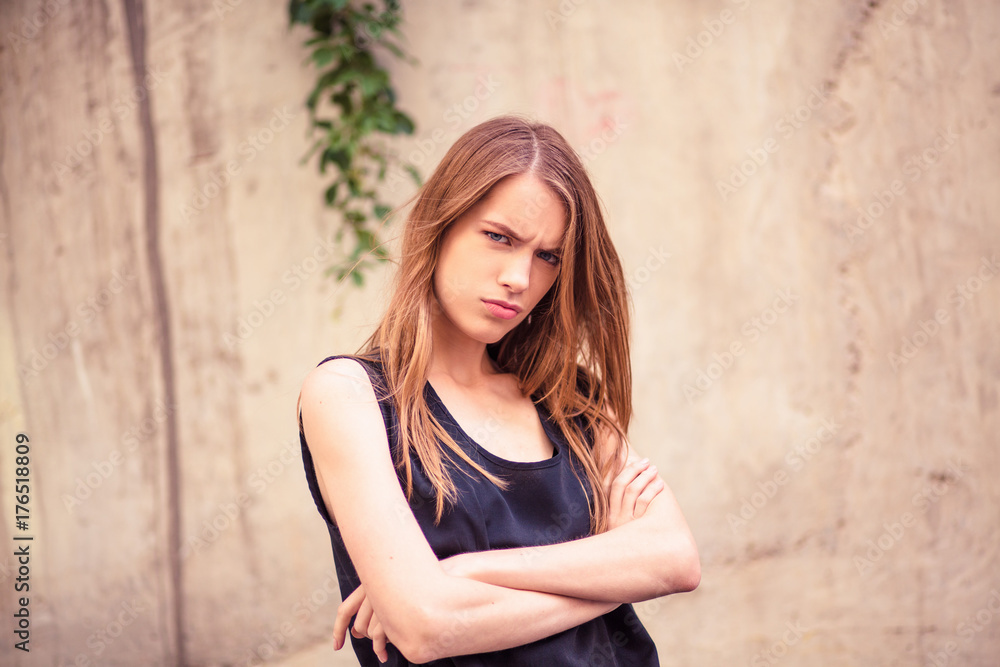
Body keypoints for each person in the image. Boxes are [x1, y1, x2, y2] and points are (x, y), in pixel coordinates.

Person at [297, 115, 700, 665]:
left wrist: (465, 572)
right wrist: (613, 572)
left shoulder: (568, 398)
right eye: (499, 237)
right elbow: (426, 627)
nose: (519, 277)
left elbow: (676, 560)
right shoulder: (349, 396)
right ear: (438, 227)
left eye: (548, 256)